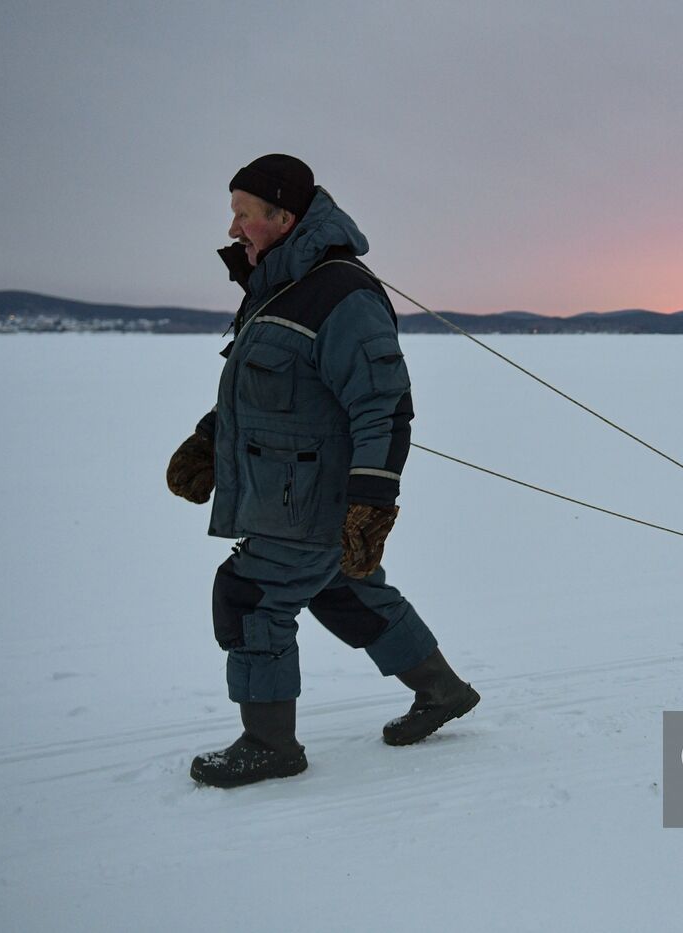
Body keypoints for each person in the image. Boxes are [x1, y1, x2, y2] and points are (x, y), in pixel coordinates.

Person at [166, 154, 478, 788]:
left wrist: (372, 505)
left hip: (309, 497)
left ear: (284, 216)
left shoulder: (341, 294)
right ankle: (442, 690)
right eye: (233, 213)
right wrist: (208, 441)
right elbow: (261, 393)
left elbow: (384, 406)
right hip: (287, 488)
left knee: (250, 597)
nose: (233, 228)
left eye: (245, 215)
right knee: (344, 590)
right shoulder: (279, 284)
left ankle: (270, 744)